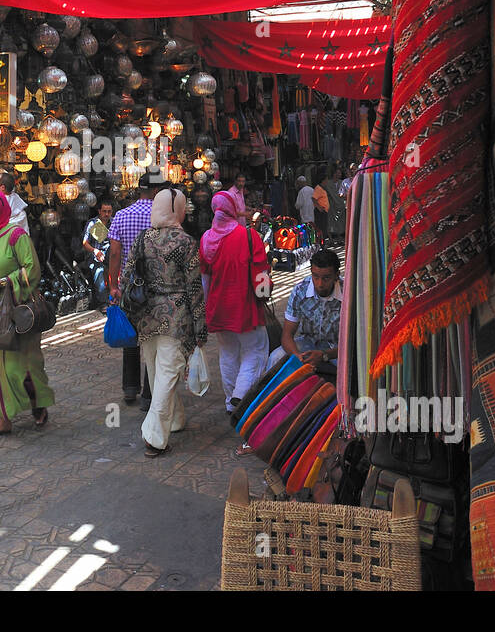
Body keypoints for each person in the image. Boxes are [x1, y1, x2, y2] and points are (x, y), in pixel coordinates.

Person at [121, 187, 206, 457]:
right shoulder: (186, 242)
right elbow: (194, 288)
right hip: (176, 317)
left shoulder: (143, 238)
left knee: (159, 373)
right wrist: (200, 328)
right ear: (177, 209)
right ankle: (154, 437)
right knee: (167, 375)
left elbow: (127, 275)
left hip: (146, 316)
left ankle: (175, 420)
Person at [0, 189, 56, 440]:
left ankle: (37, 403)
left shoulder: (16, 236)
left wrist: (4, 282)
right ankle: (3, 419)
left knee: (22, 367)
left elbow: (32, 270)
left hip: (16, 315)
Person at [200, 190, 271, 415]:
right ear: (232, 209)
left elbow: (205, 279)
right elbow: (261, 271)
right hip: (245, 305)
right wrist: (264, 295)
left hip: (219, 307)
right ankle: (241, 395)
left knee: (228, 352)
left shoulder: (206, 239)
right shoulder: (249, 236)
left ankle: (231, 401)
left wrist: (208, 308)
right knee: (255, 350)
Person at [108, 174, 156, 408]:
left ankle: (130, 388)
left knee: (130, 337)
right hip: (154, 286)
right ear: (156, 191)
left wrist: (113, 285)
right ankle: (148, 395)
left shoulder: (121, 215)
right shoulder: (160, 216)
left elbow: (114, 253)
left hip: (128, 286)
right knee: (152, 340)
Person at [271, 248, 343, 371]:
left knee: (355, 368)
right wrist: (297, 357)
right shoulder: (300, 291)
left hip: (338, 348)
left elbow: (355, 342)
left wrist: (324, 355)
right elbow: (287, 335)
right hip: (308, 343)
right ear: (311, 272)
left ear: (336, 276)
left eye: (326, 278)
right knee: (276, 357)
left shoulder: (348, 293)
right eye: (315, 277)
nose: (320, 284)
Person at [82, 199, 114, 306]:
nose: (107, 214)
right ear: (99, 211)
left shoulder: (114, 222)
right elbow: (85, 243)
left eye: (109, 211)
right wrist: (95, 251)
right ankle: (104, 303)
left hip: (111, 257)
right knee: (100, 277)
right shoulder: (92, 223)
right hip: (96, 258)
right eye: (104, 211)